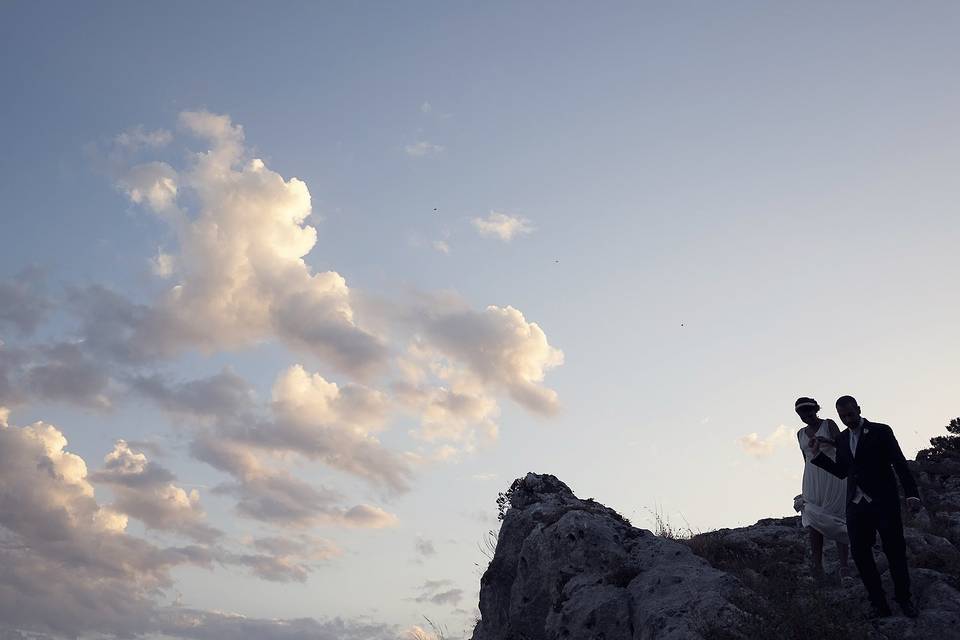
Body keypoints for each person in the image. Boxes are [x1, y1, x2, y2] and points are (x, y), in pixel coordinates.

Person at [810, 395, 922, 618]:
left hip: (884, 501)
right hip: (855, 505)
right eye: (843, 417)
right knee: (860, 556)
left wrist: (912, 495)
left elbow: (898, 462)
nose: (847, 419)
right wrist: (818, 457)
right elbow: (842, 471)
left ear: (859, 409)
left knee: (895, 552)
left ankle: (904, 599)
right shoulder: (841, 440)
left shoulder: (881, 431)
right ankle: (879, 604)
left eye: (850, 414)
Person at [794, 397, 850, 580]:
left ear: (816, 409)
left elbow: (844, 447)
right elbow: (805, 458)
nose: (806, 416)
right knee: (813, 522)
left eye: (809, 411)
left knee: (838, 519)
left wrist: (827, 441)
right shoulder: (800, 433)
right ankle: (817, 567)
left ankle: (844, 567)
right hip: (812, 477)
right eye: (802, 413)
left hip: (833, 476)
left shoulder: (829, 424)